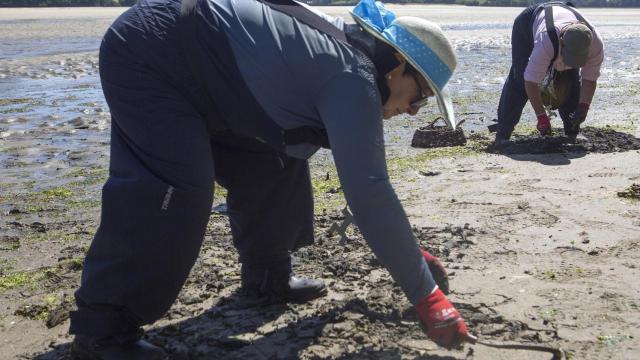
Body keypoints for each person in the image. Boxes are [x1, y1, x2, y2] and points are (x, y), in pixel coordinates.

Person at [69, 0, 468, 358]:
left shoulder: (357, 67)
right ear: (397, 65)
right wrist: (427, 297)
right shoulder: (352, 76)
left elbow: (362, 183)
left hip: (215, 78)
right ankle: (102, 330)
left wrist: (408, 254)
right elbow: (370, 191)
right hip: (153, 52)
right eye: (420, 97)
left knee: (278, 159)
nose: (415, 111)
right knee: (174, 189)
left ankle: (266, 277)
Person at [494, 1, 604, 146]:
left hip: (561, 23)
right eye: (570, 58)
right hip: (527, 25)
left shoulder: (595, 44)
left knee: (571, 79)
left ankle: (572, 131)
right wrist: (541, 116)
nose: (570, 63)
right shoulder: (546, 40)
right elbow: (530, 81)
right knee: (519, 77)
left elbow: (589, 79)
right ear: (562, 42)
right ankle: (503, 133)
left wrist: (584, 106)